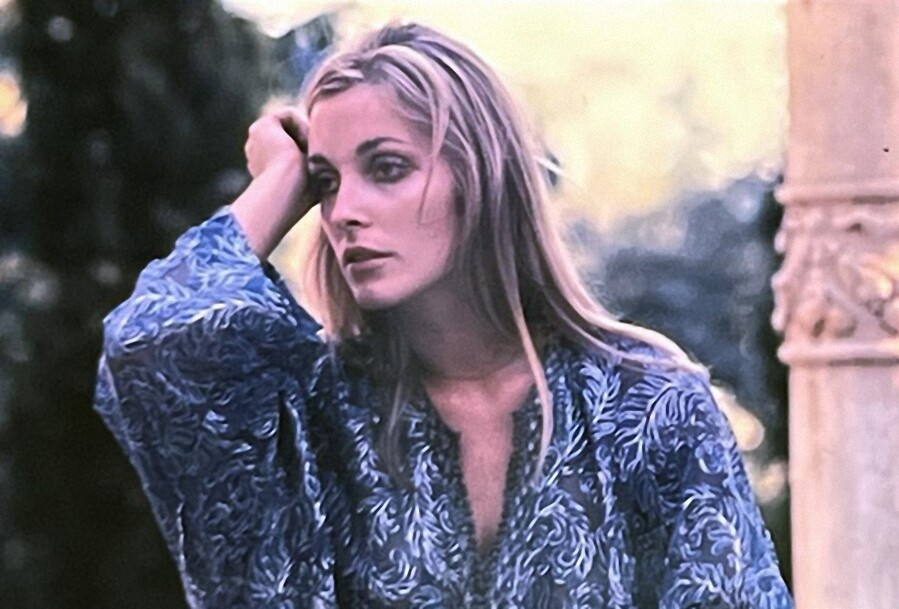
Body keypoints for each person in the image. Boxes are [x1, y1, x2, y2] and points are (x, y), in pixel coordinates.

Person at [94, 22, 794, 609]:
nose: (344, 211)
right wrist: (279, 182)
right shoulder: (309, 414)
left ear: (482, 176)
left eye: (387, 168)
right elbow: (151, 343)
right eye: (326, 183)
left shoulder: (645, 405)